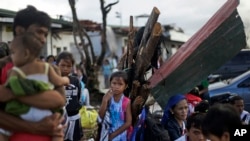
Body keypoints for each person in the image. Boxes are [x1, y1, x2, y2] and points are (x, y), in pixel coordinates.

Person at [0, 5, 65, 141]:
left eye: (45, 34)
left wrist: (13, 93)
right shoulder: (2, 67)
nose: (43, 39)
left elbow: (59, 101)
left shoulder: (51, 70)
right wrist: (34, 127)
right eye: (39, 32)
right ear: (20, 31)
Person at [55, 51, 83, 141]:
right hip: (58, 118)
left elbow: (78, 97)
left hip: (74, 116)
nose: (65, 69)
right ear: (56, 65)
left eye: (68, 66)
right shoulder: (53, 81)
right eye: (62, 65)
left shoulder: (75, 81)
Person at [98, 71, 132, 141]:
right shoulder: (107, 98)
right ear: (110, 84)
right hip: (106, 133)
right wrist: (104, 101)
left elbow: (128, 122)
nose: (116, 86)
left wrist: (113, 134)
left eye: (120, 84)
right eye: (114, 83)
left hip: (120, 135)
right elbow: (100, 116)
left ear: (125, 86)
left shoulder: (126, 101)